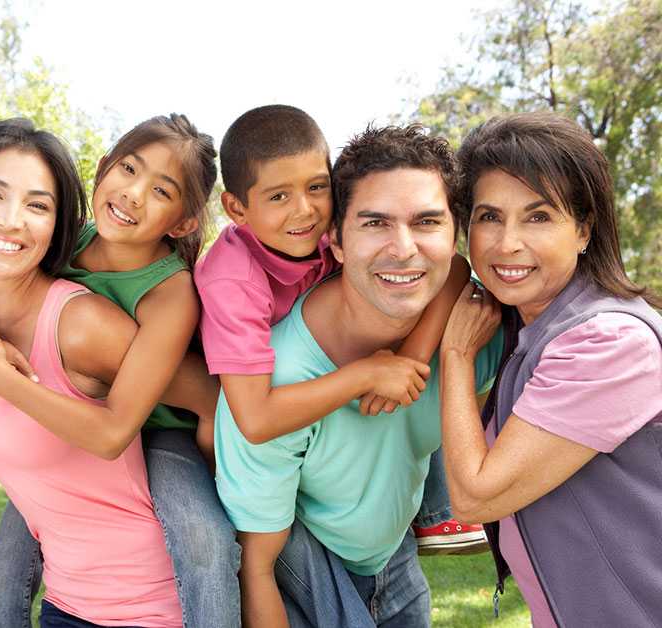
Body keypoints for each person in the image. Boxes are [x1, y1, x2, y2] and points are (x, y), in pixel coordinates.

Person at [0, 116, 237, 627]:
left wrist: (215, 471)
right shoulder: (68, 241)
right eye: (128, 169)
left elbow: (188, 404)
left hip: (164, 429)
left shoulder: (169, 291)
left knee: (203, 543)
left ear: (184, 221)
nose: (134, 194)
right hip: (86, 441)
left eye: (161, 190)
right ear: (102, 170)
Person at [214, 124, 505, 628]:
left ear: (454, 235)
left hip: (397, 563)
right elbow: (256, 568)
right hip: (308, 580)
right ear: (336, 243)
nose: (404, 248)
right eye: (375, 224)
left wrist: (436, 354)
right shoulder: (281, 377)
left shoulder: (473, 327)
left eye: (427, 222)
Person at [439, 112, 662, 627]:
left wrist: (455, 356)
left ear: (583, 229)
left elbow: (476, 496)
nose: (506, 243)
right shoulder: (530, 335)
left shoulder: (608, 344)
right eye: (489, 216)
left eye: (538, 217)